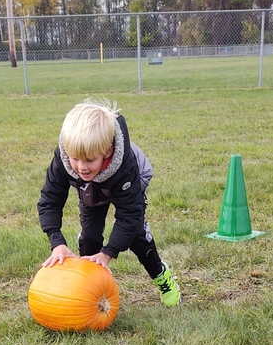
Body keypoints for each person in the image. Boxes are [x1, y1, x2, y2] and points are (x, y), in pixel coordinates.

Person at [37, 99, 181, 307]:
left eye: (89, 160)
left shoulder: (125, 165)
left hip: (127, 182)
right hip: (92, 189)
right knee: (90, 237)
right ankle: (88, 290)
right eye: (75, 158)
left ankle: (161, 276)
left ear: (107, 149)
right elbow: (50, 200)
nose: (81, 166)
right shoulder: (64, 159)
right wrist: (57, 242)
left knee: (137, 236)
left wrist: (108, 253)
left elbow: (129, 216)